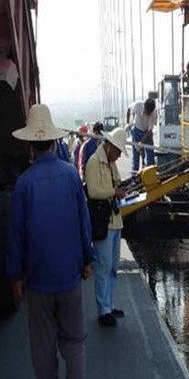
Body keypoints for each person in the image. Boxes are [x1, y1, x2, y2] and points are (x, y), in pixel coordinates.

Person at [6, 104, 95, 379]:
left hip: (40, 281)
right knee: (73, 339)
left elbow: (17, 236)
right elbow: (83, 223)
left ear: (30, 145)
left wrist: (15, 277)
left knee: (43, 346)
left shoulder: (24, 184)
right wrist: (87, 260)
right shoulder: (71, 175)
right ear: (55, 141)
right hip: (70, 277)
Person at [84, 127, 128, 327]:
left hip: (114, 221)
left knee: (112, 267)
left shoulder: (110, 163)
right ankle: (103, 310)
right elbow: (93, 191)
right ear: (109, 146)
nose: (119, 156)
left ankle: (109, 304)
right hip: (104, 223)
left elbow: (116, 184)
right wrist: (114, 192)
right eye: (118, 152)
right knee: (103, 266)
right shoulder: (94, 162)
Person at [126, 98, 157, 174]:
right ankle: (134, 176)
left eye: (148, 113)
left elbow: (149, 131)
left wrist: (141, 143)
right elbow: (129, 110)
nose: (147, 114)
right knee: (135, 156)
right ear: (144, 107)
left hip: (147, 134)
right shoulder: (138, 105)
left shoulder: (153, 113)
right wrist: (127, 123)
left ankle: (150, 174)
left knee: (150, 155)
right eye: (146, 112)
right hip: (137, 130)